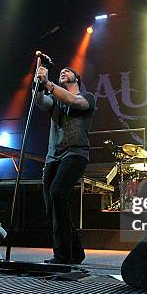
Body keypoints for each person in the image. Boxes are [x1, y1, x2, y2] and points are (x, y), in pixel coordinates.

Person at [34, 65, 95, 264]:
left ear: (76, 78)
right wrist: (39, 83)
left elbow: (73, 101)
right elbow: (39, 102)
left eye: (67, 71)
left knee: (58, 193)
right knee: (52, 204)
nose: (63, 72)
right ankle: (76, 251)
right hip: (53, 157)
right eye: (61, 71)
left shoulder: (87, 97)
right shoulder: (54, 99)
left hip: (76, 153)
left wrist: (48, 83)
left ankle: (61, 255)